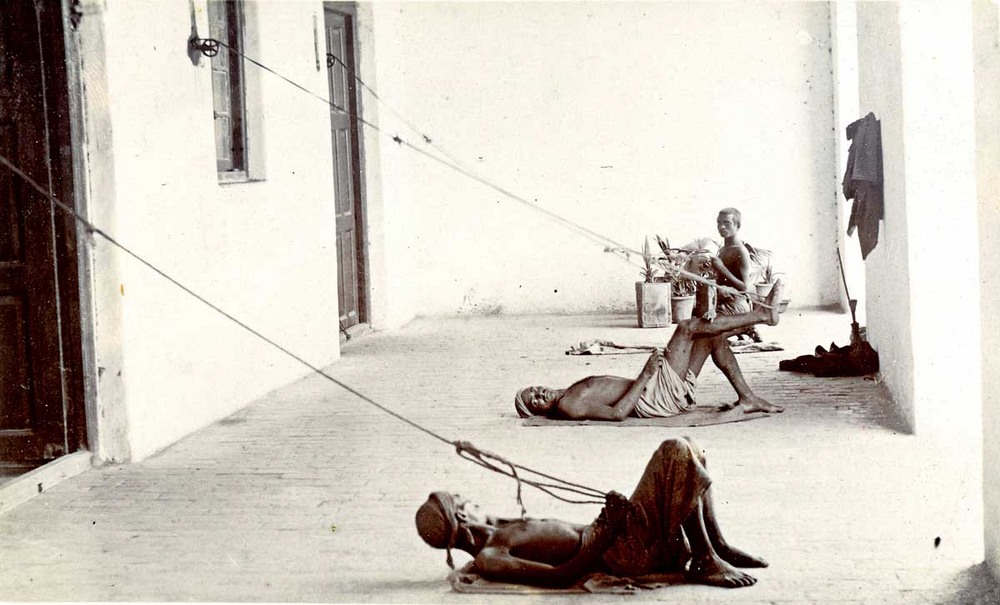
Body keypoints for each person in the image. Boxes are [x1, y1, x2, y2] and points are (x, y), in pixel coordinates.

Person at [414, 436, 766, 588]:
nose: (472, 499)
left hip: (616, 537)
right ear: (461, 517)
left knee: (690, 446)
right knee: (674, 452)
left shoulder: (498, 529)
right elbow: (562, 577)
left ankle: (715, 544)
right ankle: (704, 559)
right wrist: (611, 528)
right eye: (464, 500)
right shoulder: (492, 556)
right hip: (621, 552)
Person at [513, 281, 784, 421]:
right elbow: (618, 414)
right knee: (686, 328)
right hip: (653, 398)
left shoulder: (565, 394)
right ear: (538, 412)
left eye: (535, 389)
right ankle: (762, 315)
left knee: (712, 337)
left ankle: (748, 398)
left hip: (655, 390)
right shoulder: (568, 405)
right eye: (535, 400)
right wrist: (645, 375)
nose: (540, 393)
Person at [707, 207, 783, 413]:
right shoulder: (723, 249)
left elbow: (743, 287)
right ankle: (746, 396)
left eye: (727, 223)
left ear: (737, 226)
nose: (722, 227)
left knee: (709, 339)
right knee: (713, 342)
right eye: (719, 223)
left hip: (735, 306)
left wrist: (721, 269)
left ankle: (746, 396)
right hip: (724, 304)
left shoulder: (739, 250)